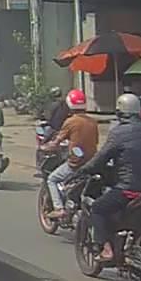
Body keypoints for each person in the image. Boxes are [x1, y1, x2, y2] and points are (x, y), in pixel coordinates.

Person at [73, 93, 141, 261]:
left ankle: (106, 249)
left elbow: (101, 157)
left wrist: (83, 170)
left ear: (120, 112)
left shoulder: (118, 132)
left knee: (98, 208)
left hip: (126, 189)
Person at [40, 89, 97, 219]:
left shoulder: (70, 122)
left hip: (75, 163)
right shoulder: (93, 122)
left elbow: (56, 142)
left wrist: (45, 147)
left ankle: (59, 208)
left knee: (52, 179)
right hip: (92, 162)